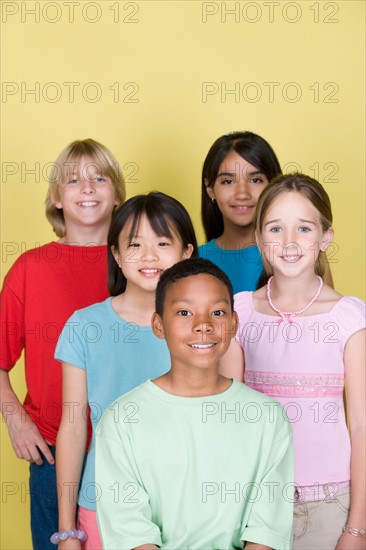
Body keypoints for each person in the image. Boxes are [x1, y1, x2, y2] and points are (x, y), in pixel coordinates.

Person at [95, 258, 294, 550]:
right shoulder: (123, 419)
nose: (203, 325)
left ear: (234, 323)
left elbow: (267, 531)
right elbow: (130, 531)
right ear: (159, 324)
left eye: (217, 312)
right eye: (185, 312)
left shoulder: (267, 418)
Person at [220, 174, 366, 549]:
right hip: (257, 504)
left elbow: (362, 427)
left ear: (324, 237)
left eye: (303, 228)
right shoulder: (240, 312)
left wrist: (357, 527)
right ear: (258, 237)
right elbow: (229, 418)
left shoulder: (348, 317)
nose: (288, 243)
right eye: (275, 228)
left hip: (330, 505)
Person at [0, 138, 126, 550]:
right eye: (73, 180)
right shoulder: (29, 269)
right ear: (56, 198)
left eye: (99, 178)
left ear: (117, 195)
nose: (87, 187)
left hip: (130, 445)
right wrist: (16, 420)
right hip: (53, 449)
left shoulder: (138, 263)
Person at [54, 192, 197, 549]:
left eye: (163, 242)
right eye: (135, 244)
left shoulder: (203, 326)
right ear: (116, 254)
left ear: (187, 253)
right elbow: (72, 427)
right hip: (103, 505)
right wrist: (67, 529)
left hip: (186, 509)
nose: (149, 256)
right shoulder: (84, 326)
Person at [199, 131, 333, 292]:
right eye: (228, 181)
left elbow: (327, 311)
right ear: (210, 189)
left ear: (273, 185)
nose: (242, 193)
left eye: (256, 180)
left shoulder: (301, 253)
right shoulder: (194, 259)